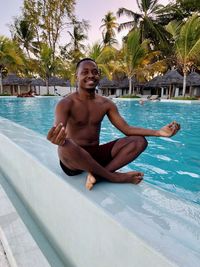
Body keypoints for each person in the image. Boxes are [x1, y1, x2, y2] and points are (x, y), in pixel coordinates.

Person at [47, 58, 180, 190]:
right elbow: (58, 130)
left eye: (94, 72)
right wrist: (56, 137)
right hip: (75, 160)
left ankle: (98, 176)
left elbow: (126, 129)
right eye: (85, 72)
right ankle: (114, 177)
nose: (91, 75)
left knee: (139, 141)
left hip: (96, 156)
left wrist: (158, 132)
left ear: (99, 75)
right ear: (76, 76)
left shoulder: (106, 104)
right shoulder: (65, 103)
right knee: (65, 146)